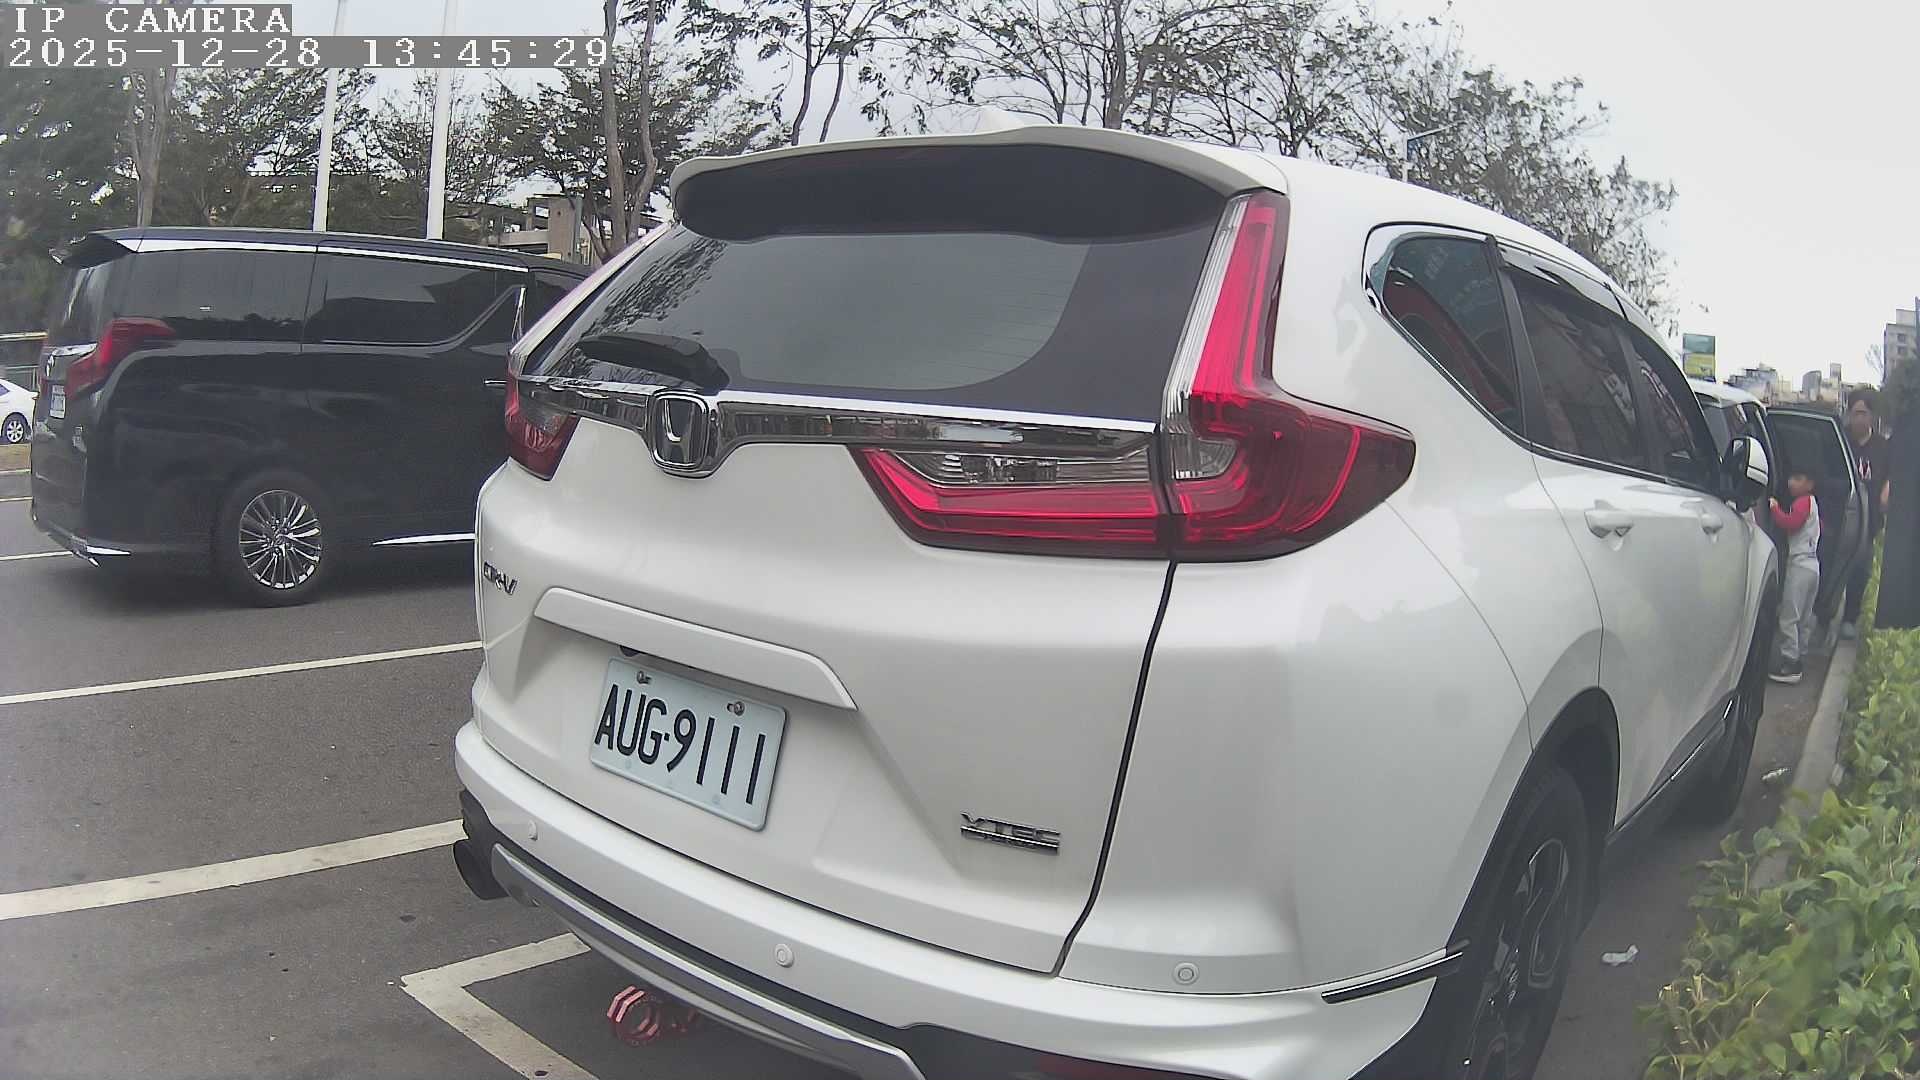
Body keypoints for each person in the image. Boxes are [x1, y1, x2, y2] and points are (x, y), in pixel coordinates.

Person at [1841, 387, 1890, 639]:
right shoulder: (1841, 441)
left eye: (1863, 413)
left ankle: (1850, 617)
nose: (1858, 418)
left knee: (1860, 571)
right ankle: (1824, 615)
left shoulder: (1882, 447)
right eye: (1855, 412)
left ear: (1872, 416)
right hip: (1841, 518)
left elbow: (1891, 476)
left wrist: (1887, 490)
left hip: (1869, 522)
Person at [1771, 469, 1821, 684]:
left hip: (1799, 565)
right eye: (1791, 477)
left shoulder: (1802, 502)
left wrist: (1774, 508)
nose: (1791, 482)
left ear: (1810, 483)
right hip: (1813, 566)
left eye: (1798, 478)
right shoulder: (1814, 505)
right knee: (1804, 616)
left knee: (1789, 616)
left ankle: (1790, 662)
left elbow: (1791, 523)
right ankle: (1800, 654)